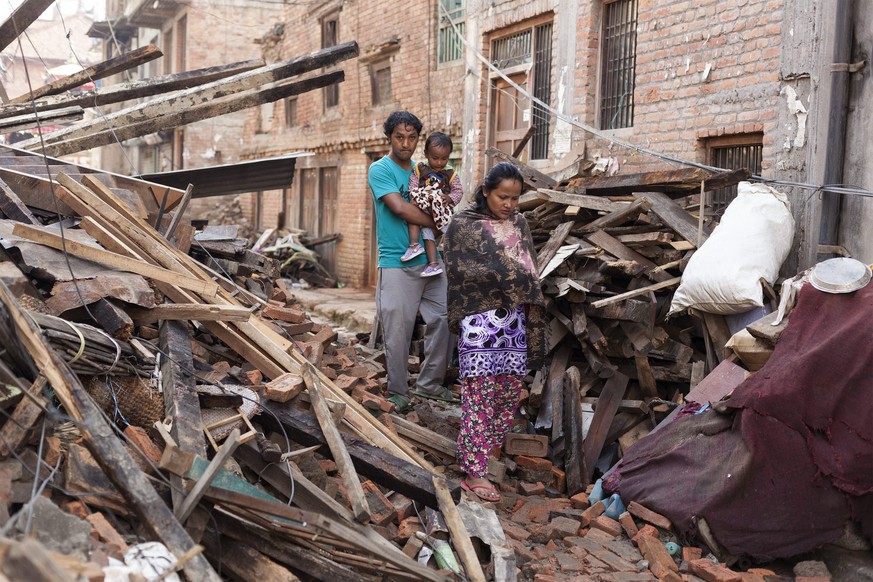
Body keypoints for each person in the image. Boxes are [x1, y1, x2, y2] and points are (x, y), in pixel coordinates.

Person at [443, 162, 547, 502]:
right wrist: (507, 274)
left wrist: (518, 281)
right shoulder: (463, 226)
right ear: (485, 191)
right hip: (480, 323)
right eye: (503, 197)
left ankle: (483, 458)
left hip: (513, 324)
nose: (510, 205)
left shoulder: (519, 223)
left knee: (505, 398)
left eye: (515, 199)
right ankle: (474, 472)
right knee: (479, 397)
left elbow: (528, 269)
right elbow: (462, 270)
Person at [367, 112, 454, 413]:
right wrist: (441, 221)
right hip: (395, 262)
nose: (406, 144)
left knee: (445, 319)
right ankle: (399, 392)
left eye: (412, 137)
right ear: (389, 137)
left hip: (431, 261)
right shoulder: (380, 170)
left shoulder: (426, 170)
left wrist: (446, 215)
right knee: (397, 330)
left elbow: (449, 199)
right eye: (399, 137)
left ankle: (429, 385)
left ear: (419, 138)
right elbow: (400, 208)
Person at [401, 132, 464, 277]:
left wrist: (449, 198)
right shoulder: (420, 168)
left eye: (444, 158)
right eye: (435, 158)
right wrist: (414, 197)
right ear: (426, 154)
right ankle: (417, 248)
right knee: (416, 219)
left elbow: (458, 190)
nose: (440, 162)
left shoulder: (450, 173)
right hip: (424, 205)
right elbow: (413, 185)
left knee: (438, 234)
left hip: (440, 209)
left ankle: (438, 261)